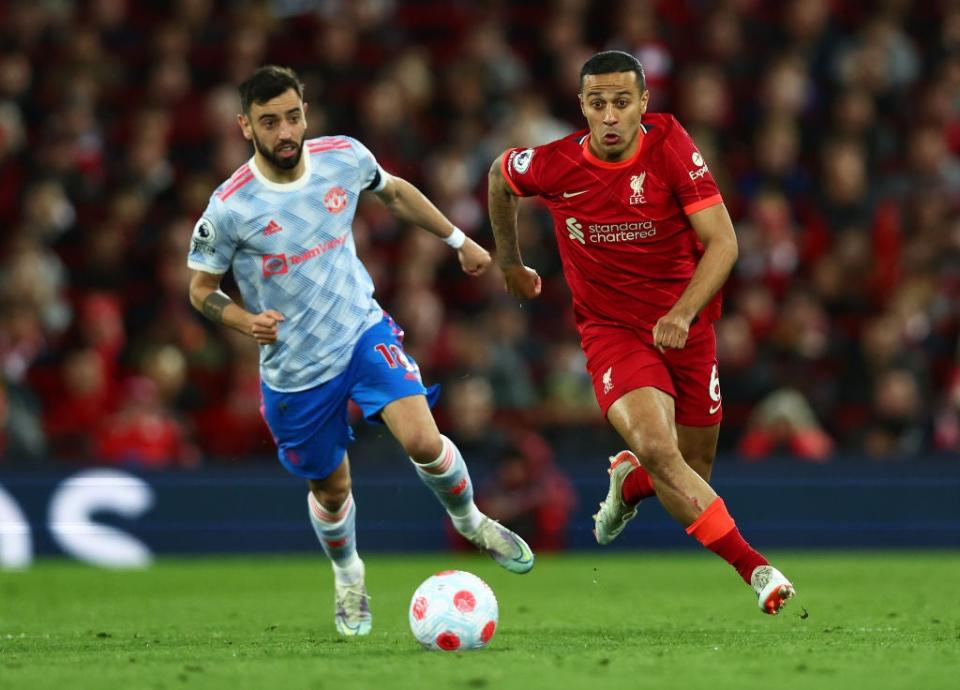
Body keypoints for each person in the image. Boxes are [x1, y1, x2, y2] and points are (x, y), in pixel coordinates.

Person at [187, 66, 534, 637]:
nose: (285, 131)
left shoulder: (343, 156)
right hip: (295, 369)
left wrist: (459, 240)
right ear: (245, 126)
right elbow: (200, 289)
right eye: (269, 121)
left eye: (293, 116)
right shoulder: (229, 207)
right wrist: (244, 320)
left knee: (424, 438)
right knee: (332, 487)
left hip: (361, 332)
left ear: (306, 112)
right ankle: (348, 574)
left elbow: (394, 193)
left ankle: (472, 521)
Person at [487, 51, 795, 615]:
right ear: (581, 106)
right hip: (613, 332)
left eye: (621, 103)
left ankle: (629, 485)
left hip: (688, 326)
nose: (609, 116)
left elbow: (725, 243)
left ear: (643, 105)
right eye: (598, 103)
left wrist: (680, 314)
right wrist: (509, 260)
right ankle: (757, 569)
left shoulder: (670, 145)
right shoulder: (553, 164)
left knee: (690, 469)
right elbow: (499, 178)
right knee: (659, 448)